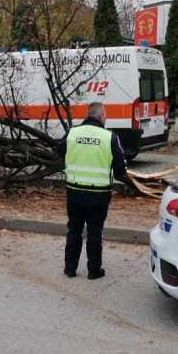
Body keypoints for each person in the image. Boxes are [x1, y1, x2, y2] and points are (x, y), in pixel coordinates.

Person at [57, 102, 128, 280]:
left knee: (74, 229)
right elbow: (121, 169)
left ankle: (70, 268)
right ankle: (93, 270)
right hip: (99, 194)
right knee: (95, 232)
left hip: (74, 191)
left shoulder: (72, 133)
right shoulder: (109, 137)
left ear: (87, 115)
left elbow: (60, 151)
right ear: (101, 116)